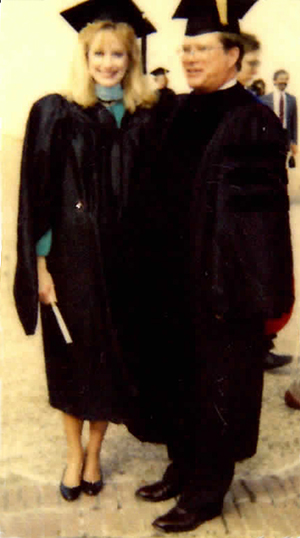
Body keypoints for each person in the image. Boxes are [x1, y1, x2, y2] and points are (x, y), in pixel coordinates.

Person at [127, 0, 294, 533]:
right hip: (169, 280)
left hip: (221, 285)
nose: (190, 58)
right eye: (186, 49)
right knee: (175, 378)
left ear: (232, 55)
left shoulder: (254, 120)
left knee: (217, 387)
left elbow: (262, 221)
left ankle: (207, 491)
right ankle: (181, 465)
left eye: (201, 49)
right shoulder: (173, 111)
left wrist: (252, 295)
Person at [13, 0, 157, 502]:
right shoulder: (56, 112)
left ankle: (96, 452)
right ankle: (74, 454)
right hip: (71, 264)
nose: (109, 63)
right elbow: (38, 195)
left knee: (112, 361)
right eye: (99, 53)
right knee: (73, 359)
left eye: (118, 54)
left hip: (123, 268)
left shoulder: (144, 116)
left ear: (131, 59)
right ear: (85, 55)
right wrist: (40, 264)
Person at [262, 70, 298, 160]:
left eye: (286, 79)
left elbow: (294, 122)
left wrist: (294, 142)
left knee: (282, 164)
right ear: (274, 81)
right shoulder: (265, 99)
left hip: (285, 136)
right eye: (281, 79)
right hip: (269, 136)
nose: (284, 82)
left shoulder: (292, 100)